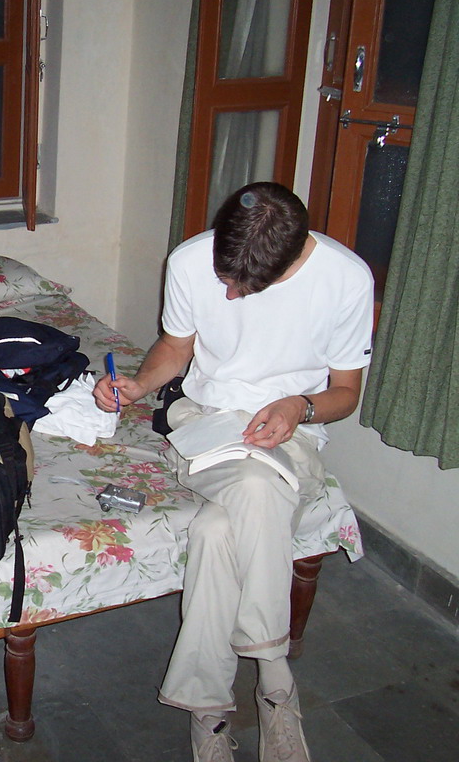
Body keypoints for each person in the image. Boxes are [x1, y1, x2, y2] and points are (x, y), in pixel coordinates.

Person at [94, 183, 373, 762]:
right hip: (202, 421)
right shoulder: (191, 260)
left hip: (292, 431)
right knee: (250, 485)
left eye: (243, 288)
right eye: (225, 279)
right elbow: (176, 346)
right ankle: (276, 679)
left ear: (294, 256)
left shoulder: (347, 278)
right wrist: (140, 385)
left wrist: (301, 406)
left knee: (217, 530)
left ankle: (208, 710)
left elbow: (345, 392)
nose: (228, 293)